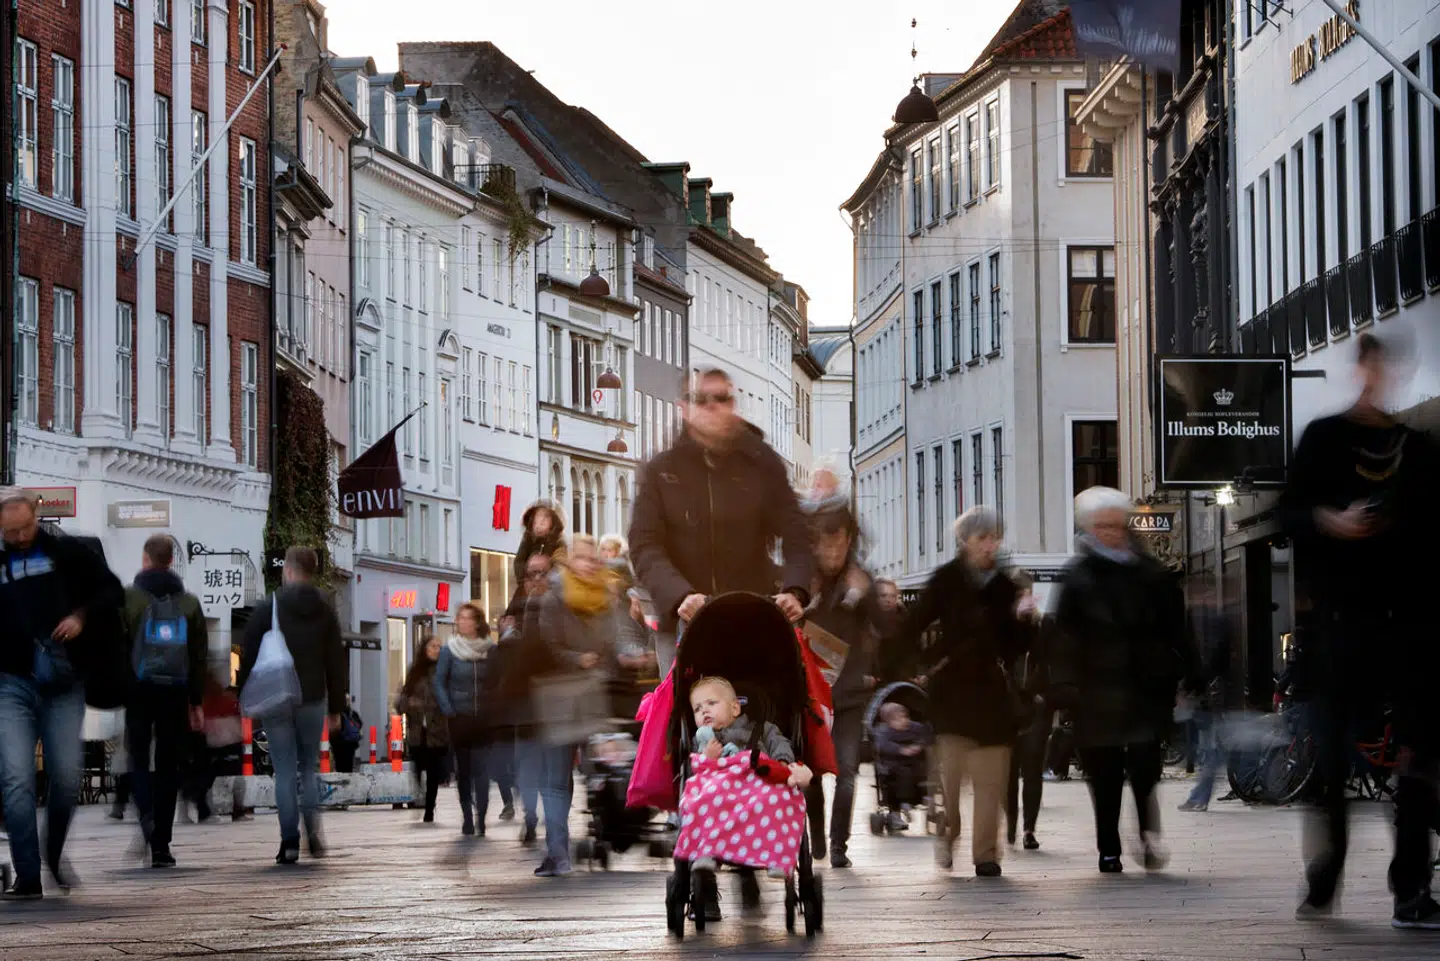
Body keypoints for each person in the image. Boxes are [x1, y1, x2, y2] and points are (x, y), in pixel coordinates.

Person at [1278, 332, 1440, 926]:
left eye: (1390, 368)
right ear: (1360, 369)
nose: (1381, 377)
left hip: (1409, 627)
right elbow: (1290, 514)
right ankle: (1325, 876)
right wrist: (1330, 520)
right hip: (1340, 625)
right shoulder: (1324, 439)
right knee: (1329, 761)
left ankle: (1411, 889)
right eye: (1373, 367)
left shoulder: (1417, 449)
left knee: (1419, 757)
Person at [630, 367, 815, 681]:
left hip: (749, 618)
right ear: (684, 409)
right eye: (701, 399)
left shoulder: (761, 463)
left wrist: (795, 589)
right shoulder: (661, 470)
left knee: (757, 702)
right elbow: (644, 545)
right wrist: (680, 595)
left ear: (732, 404)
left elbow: (797, 532)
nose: (712, 407)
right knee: (682, 704)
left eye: (721, 398)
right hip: (683, 618)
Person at [1050, 487, 1189, 876]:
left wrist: (1183, 669)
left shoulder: (1151, 573)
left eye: (1116, 524)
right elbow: (1062, 638)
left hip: (1144, 688)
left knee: (1146, 770)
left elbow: (1176, 628)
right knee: (1104, 776)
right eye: (1103, 525)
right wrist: (1064, 686)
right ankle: (1108, 847)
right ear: (1089, 528)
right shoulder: (1076, 578)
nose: (1111, 532)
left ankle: (1148, 835)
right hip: (1095, 692)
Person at [896, 506, 1035, 878]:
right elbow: (913, 626)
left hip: (991, 698)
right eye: (982, 538)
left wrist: (1025, 620)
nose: (990, 545)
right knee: (951, 782)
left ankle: (986, 854)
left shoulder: (1007, 586)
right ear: (964, 540)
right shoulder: (946, 580)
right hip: (952, 696)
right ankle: (947, 835)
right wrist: (912, 670)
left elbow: (1016, 647)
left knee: (991, 783)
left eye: (995, 538)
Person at [0, 488, 123, 899]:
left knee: (68, 777)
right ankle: (28, 875)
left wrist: (80, 617)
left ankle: (52, 850)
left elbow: (111, 591)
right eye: (11, 532)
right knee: (16, 778)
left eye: (25, 528)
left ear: (36, 518)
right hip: (10, 682)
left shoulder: (67, 553)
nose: (20, 537)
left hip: (63, 680)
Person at [237, 547, 346, 865]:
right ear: (312, 571)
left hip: (278, 697)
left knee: (284, 770)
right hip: (312, 697)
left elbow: (248, 655)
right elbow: (335, 661)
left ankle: (289, 842)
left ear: (287, 569)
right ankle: (313, 831)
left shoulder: (269, 606)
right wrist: (336, 707)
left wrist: (243, 696)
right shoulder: (325, 608)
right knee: (308, 769)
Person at [525, 534, 621, 878]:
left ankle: (602, 836)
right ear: (570, 561)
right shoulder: (553, 597)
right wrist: (576, 658)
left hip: (593, 693)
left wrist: (614, 660)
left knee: (602, 771)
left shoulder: (606, 597)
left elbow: (612, 643)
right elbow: (546, 645)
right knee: (557, 780)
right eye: (583, 558)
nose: (590, 564)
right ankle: (558, 853)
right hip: (560, 696)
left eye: (594, 559)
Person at [121, 534, 208, 867]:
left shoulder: (129, 599)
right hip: (175, 691)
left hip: (138, 689)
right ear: (171, 560)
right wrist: (196, 701)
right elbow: (198, 657)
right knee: (169, 764)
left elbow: (117, 648)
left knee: (138, 757)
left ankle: (145, 815)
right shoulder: (189, 604)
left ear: (146, 559)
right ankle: (161, 844)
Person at [801, 502, 879, 867]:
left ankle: (838, 847)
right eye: (826, 545)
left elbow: (887, 626)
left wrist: (864, 596)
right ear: (815, 544)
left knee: (846, 771)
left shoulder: (860, 580)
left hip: (848, 695)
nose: (833, 553)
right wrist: (807, 602)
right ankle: (817, 837)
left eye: (840, 545)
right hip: (812, 694)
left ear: (849, 543)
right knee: (812, 774)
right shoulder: (804, 580)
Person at [687, 677, 812, 901]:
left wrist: (782, 762)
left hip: (758, 788)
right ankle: (707, 852)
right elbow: (697, 768)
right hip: (723, 794)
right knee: (703, 797)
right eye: (697, 708)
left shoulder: (763, 729)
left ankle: (777, 856)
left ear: (735, 708)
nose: (704, 710)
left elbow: (780, 745)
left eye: (711, 703)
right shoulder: (704, 739)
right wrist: (707, 757)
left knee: (779, 797)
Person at [434, 602, 507, 836]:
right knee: (463, 770)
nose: (463, 622)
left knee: (482, 771)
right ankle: (467, 815)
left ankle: (481, 817)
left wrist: (494, 705)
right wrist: (448, 709)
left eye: (468, 618)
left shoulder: (490, 650)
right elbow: (439, 682)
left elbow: (499, 679)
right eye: (460, 618)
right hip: (460, 718)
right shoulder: (449, 650)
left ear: (477, 623)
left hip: (484, 718)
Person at [1005, 582, 1056, 851]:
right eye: (1018, 597)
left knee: (1033, 770)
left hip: (1036, 707)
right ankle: (1010, 825)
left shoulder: (1044, 625)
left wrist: (1044, 695)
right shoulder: (1003, 629)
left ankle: (1029, 829)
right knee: (1009, 773)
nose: (1024, 601)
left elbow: (1051, 659)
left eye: (1027, 595)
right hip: (1008, 710)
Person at [395, 635, 450, 824]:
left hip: (437, 730)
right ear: (425, 648)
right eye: (433, 646)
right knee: (417, 765)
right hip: (418, 730)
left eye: (439, 646)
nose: (437, 650)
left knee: (434, 772)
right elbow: (401, 700)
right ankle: (419, 793)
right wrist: (409, 704)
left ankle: (429, 809)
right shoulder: (415, 672)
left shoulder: (444, 671)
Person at [872, 702, 931, 828]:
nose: (902, 721)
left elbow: (926, 737)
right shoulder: (884, 731)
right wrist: (900, 749)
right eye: (896, 719)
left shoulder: (915, 728)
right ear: (888, 722)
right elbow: (882, 745)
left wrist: (918, 746)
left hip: (914, 763)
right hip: (892, 765)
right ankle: (898, 810)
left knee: (922, 772)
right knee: (900, 776)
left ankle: (923, 798)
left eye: (904, 717)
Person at [513, 502, 567, 588]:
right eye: (538, 516)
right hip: (528, 588)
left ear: (553, 522)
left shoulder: (559, 543)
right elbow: (519, 562)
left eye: (546, 517)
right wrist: (525, 581)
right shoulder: (528, 539)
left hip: (549, 590)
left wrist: (545, 580)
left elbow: (560, 568)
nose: (541, 521)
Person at [331, 696, 364, 774]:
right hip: (351, 744)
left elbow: (334, 728)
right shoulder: (353, 713)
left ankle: (342, 779)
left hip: (339, 744)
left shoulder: (337, 714)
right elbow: (360, 724)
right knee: (349, 767)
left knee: (340, 767)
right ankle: (348, 779)